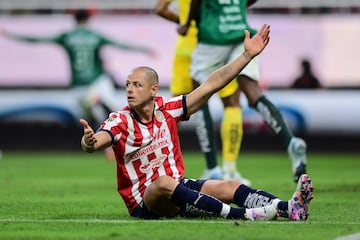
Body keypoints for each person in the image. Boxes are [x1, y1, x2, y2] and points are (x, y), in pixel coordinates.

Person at [79, 24, 314, 221]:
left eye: (136, 85)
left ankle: (288, 208)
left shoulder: (168, 110)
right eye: (128, 84)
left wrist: (246, 56)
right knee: (162, 183)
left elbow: (212, 84)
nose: (129, 89)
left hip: (178, 187)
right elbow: (97, 142)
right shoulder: (120, 120)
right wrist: (89, 141)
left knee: (229, 186)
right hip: (146, 201)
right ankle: (244, 214)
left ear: (153, 90)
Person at [179, 0, 307, 183]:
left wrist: (188, 22)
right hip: (242, 35)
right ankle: (290, 141)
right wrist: (237, 8)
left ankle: (212, 168)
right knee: (252, 92)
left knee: (198, 96)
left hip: (213, 36)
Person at [1, 9, 154, 159]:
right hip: (95, 81)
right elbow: (120, 44)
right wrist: (143, 49)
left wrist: (10, 34)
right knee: (105, 113)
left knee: (100, 114)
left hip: (84, 85)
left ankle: (119, 145)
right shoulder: (94, 35)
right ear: (88, 19)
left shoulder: (68, 36)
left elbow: (37, 40)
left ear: (74, 20)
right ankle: (126, 140)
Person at [153, 0, 224, 181]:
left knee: (172, 110)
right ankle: (213, 165)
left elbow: (160, 9)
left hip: (184, 45)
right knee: (203, 100)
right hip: (206, 42)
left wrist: (184, 21)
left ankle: (158, 163)